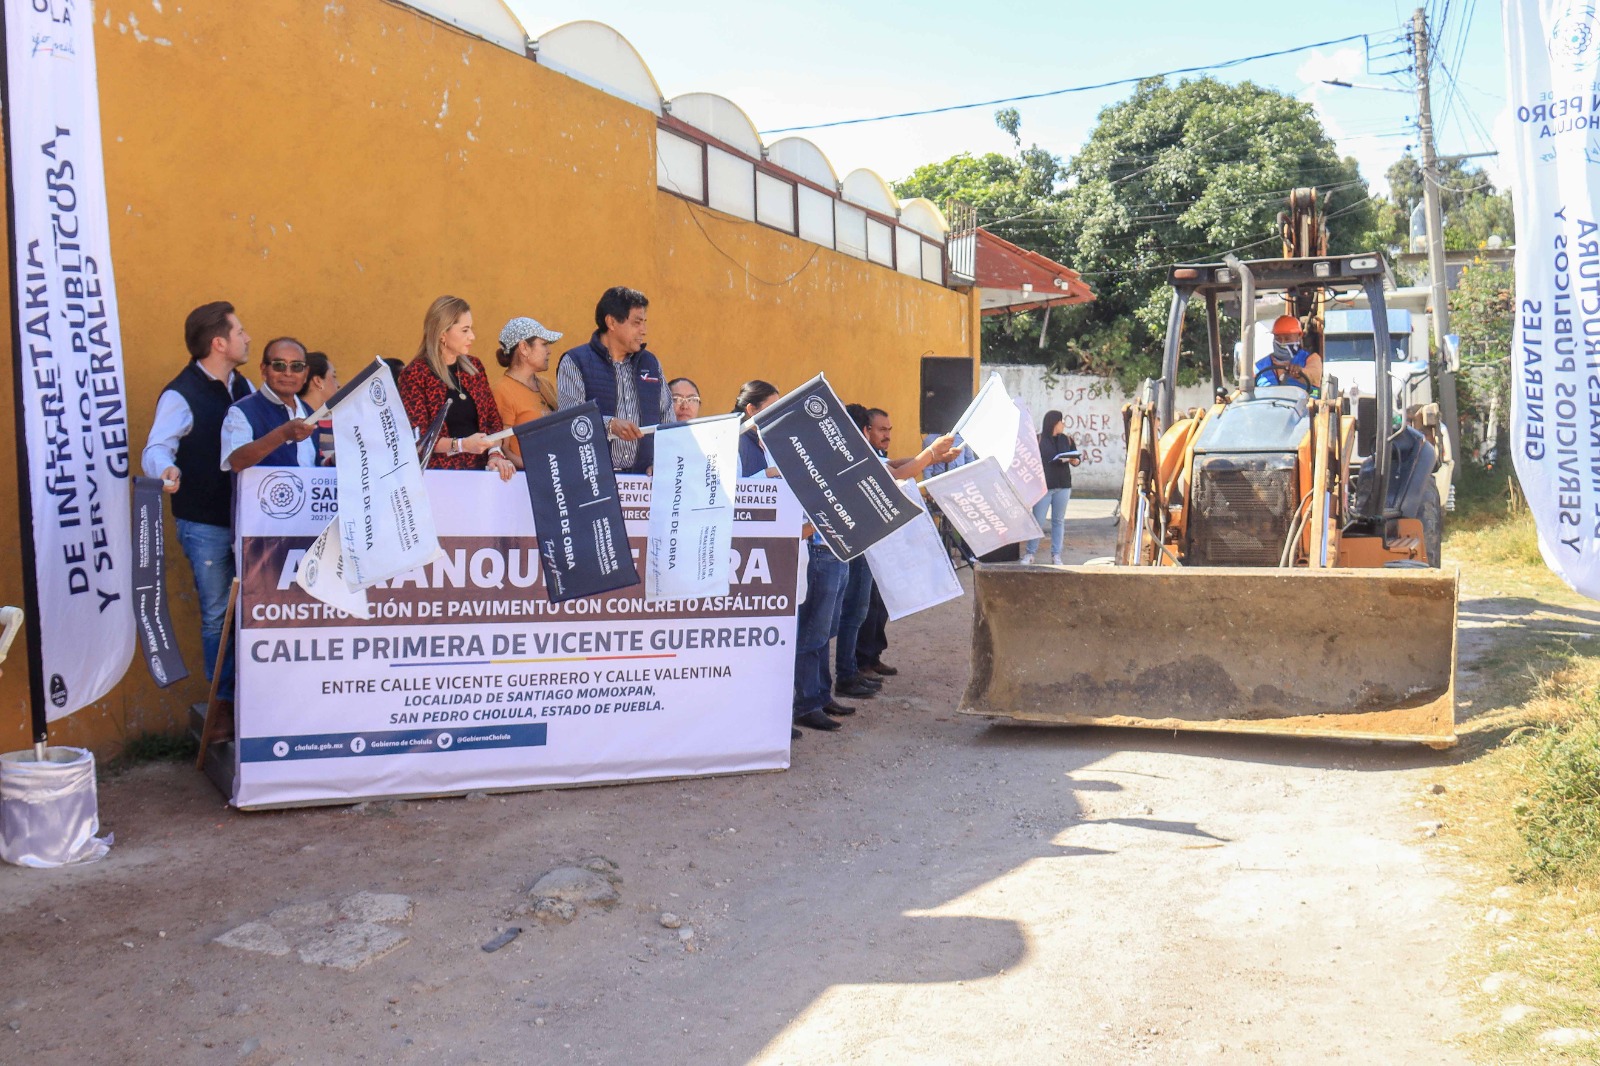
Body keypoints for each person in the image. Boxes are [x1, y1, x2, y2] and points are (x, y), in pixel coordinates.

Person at [140, 300, 254, 721]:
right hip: (203, 523)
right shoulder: (180, 394)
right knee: (216, 614)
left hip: (247, 520)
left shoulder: (243, 387)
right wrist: (165, 469)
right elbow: (155, 447)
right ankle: (223, 706)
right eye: (240, 332)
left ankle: (249, 701)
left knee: (252, 610)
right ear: (219, 342)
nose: (247, 338)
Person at [397, 295, 515, 482]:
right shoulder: (415, 374)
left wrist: (494, 453)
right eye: (465, 330)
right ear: (442, 333)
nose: (472, 337)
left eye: (471, 329)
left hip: (480, 476)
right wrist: (463, 445)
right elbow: (419, 438)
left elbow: (493, 422)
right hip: (438, 479)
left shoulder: (474, 368)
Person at [556, 286, 670, 473]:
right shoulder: (575, 361)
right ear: (611, 322)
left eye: (644, 322)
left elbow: (667, 422)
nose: (644, 330)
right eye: (637, 322)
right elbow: (570, 421)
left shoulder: (651, 364)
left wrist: (661, 462)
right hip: (593, 483)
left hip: (643, 486)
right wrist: (610, 425)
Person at [222, 337, 318, 472]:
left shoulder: (308, 411)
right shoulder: (241, 411)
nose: (288, 373)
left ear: (306, 373)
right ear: (263, 370)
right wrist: (282, 434)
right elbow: (236, 462)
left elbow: (309, 466)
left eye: (296, 366)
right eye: (279, 365)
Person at [492, 316, 563, 470]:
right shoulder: (502, 390)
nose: (549, 351)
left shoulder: (545, 385)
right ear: (524, 348)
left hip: (555, 476)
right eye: (544, 344)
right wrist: (538, 468)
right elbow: (503, 449)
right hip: (526, 480)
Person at [1020, 409, 1080, 565]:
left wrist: (1074, 461)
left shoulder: (1067, 440)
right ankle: (1030, 553)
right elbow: (1030, 461)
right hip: (1044, 487)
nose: (1063, 424)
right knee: (1038, 521)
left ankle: (1056, 555)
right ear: (1054, 423)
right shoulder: (1038, 439)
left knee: (1058, 521)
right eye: (1062, 421)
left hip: (1063, 485)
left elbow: (1077, 459)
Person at [1255, 314, 1322, 398]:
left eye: (1287, 339)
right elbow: (1246, 389)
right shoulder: (1259, 366)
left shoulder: (1311, 359)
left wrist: (1300, 373)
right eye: (1278, 338)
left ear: (1299, 336)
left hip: (1303, 408)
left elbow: (1314, 376)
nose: (1282, 343)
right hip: (1266, 408)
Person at [733, 380, 780, 477]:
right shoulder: (733, 443)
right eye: (773, 408)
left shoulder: (773, 440)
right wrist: (768, 474)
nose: (778, 413)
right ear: (752, 410)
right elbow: (729, 488)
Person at [299, 351, 339, 465]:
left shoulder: (334, 420)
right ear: (318, 381)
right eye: (334, 376)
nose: (338, 384)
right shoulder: (296, 419)